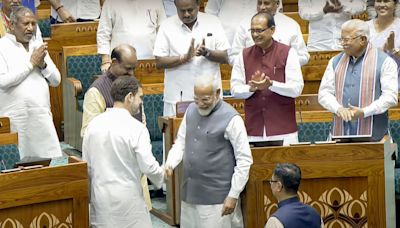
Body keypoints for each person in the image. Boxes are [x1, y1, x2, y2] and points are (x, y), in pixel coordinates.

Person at [165, 75, 253, 227]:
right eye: (196, 99)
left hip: (218, 200)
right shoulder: (191, 110)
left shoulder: (232, 118)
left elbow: (244, 160)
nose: (200, 104)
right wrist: (171, 162)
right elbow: (181, 142)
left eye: (205, 99)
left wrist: (233, 195)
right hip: (189, 194)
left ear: (217, 93)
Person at [83, 76, 165, 227]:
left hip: (100, 199)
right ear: (129, 97)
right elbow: (148, 167)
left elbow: (86, 168)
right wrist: (163, 176)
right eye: (140, 97)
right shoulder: (137, 128)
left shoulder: (93, 126)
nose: (141, 102)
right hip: (128, 202)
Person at [81, 44, 152, 211]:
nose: (132, 74)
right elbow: (88, 134)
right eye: (127, 69)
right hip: (110, 173)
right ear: (113, 62)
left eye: (134, 68)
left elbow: (142, 121)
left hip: (135, 169)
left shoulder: (133, 86)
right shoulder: (96, 91)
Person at [231, 12, 304, 146]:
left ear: (272, 30)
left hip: (283, 129)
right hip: (254, 130)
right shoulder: (243, 55)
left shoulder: (288, 53)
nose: (255, 35)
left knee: (285, 166)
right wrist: (251, 88)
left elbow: (296, 89)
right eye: (252, 31)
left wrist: (271, 85)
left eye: (259, 30)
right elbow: (234, 90)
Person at [318, 19, 398, 141]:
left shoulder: (385, 61)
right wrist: (338, 109)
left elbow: (391, 97)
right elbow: (324, 93)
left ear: (363, 40)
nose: (343, 43)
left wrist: (364, 112)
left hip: (378, 138)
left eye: (347, 39)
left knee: (383, 160)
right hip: (339, 137)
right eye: (341, 39)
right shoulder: (334, 62)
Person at [0, 6, 62, 159]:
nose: (30, 28)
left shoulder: (38, 47)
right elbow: (3, 81)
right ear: (12, 25)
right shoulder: (2, 46)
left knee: (45, 162)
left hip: (41, 115)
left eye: (33, 24)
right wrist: (31, 64)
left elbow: (56, 80)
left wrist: (43, 65)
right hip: (16, 117)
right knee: (17, 165)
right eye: (26, 23)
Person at [153, 0, 230, 116]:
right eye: (182, 11)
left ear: (199, 5)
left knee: (212, 133)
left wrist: (207, 53)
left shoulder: (213, 22)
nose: (186, 14)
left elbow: (224, 57)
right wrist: (183, 58)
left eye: (190, 10)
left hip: (209, 98)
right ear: (175, 6)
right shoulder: (166, 26)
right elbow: (159, 62)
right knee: (177, 133)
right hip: (178, 98)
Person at [231, 0, 309, 66]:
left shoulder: (291, 25)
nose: (262, 7)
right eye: (259, 3)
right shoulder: (244, 24)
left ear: (277, 3)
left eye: (266, 3)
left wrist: (283, 63)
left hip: (283, 78)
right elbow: (234, 57)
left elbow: (303, 56)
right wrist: (253, 64)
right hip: (253, 77)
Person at [97, 0, 166, 71]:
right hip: (121, 62)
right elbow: (103, 34)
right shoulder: (110, 3)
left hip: (150, 62)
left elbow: (162, 32)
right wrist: (105, 61)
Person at [264, 163, 323, 228]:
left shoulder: (275, 221)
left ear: (279, 186)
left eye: (271, 181)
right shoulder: (315, 214)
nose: (270, 184)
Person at [298, 0, 366, 51]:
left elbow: (361, 6)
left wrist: (342, 4)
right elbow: (304, 12)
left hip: (344, 42)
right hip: (318, 43)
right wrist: (323, 10)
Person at [366, 0, 400, 88]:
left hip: (395, 83)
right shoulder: (364, 27)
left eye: (386, 1)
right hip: (368, 82)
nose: (382, 5)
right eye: (378, 1)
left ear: (395, 4)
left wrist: (393, 51)